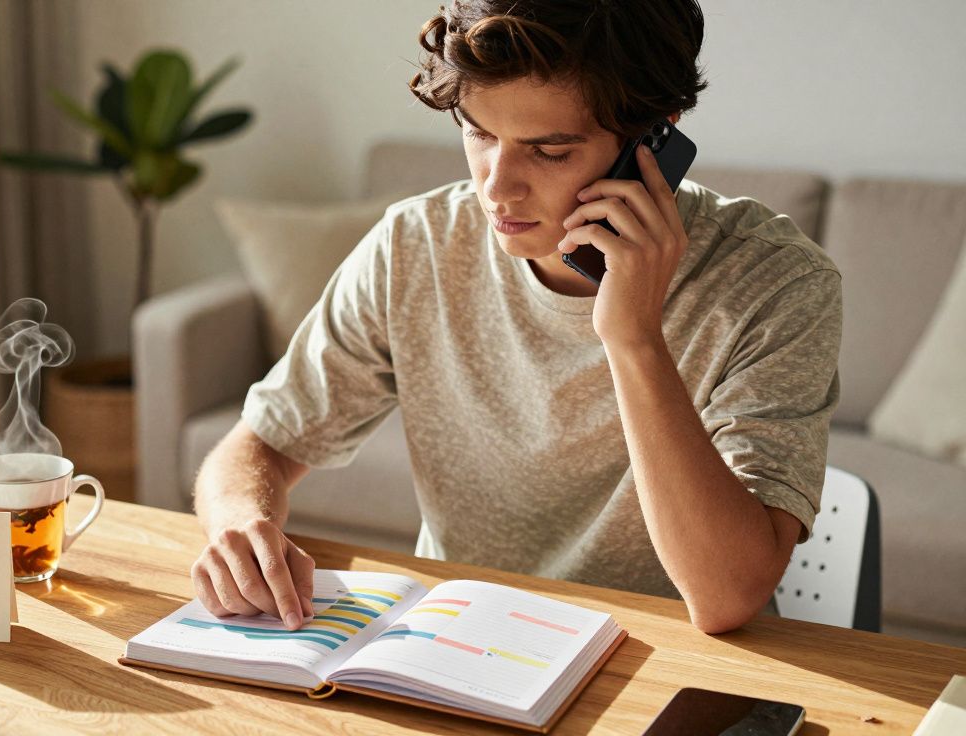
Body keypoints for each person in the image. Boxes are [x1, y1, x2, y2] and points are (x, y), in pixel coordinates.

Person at [189, 0, 841, 635]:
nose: (496, 187)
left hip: (671, 662)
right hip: (459, 646)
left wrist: (634, 338)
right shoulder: (416, 245)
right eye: (478, 132)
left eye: (549, 151)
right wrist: (242, 525)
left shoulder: (775, 281)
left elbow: (727, 597)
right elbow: (259, 445)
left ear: (654, 137)